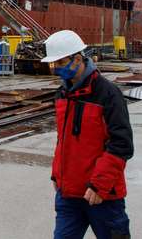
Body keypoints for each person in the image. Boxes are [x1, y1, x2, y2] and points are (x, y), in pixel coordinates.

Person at [42, 30, 133, 239]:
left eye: (60, 62)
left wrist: (99, 186)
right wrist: (57, 173)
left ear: (77, 58)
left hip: (102, 196)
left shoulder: (108, 94)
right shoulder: (62, 94)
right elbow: (63, 140)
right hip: (68, 196)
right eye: (53, 64)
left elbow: (121, 145)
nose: (56, 68)